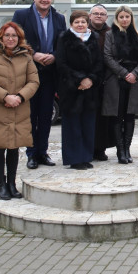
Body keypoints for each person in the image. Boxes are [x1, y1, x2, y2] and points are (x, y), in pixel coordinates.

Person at [0, 22, 39, 200]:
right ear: (1, 37)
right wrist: (5, 97)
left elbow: (34, 81)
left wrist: (19, 97)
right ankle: (1, 185)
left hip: (19, 108)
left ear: (19, 38)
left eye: (14, 36)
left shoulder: (26, 57)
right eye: (7, 35)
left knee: (14, 147)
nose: (11, 39)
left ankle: (12, 184)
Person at [12, 0, 66, 169]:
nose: (44, 0)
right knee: (31, 116)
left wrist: (55, 56)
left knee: (45, 116)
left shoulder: (59, 18)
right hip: (28, 73)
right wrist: (33, 55)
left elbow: (63, 44)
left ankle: (42, 152)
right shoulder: (21, 16)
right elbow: (16, 41)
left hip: (50, 73)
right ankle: (31, 154)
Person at [55, 10, 103, 170]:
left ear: (87, 23)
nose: (80, 25)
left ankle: (86, 156)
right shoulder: (64, 39)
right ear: (71, 24)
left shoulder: (93, 38)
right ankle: (74, 158)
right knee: (72, 125)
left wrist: (90, 79)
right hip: (71, 88)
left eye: (83, 22)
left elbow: (98, 62)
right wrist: (79, 79)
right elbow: (61, 63)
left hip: (90, 89)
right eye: (77, 22)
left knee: (88, 124)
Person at [103, 5, 138, 164]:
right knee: (117, 116)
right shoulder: (110, 35)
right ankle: (120, 150)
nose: (124, 19)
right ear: (117, 18)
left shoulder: (136, 35)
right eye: (121, 17)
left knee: (130, 116)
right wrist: (124, 73)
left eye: (127, 17)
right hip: (116, 80)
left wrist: (134, 74)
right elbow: (107, 57)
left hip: (133, 80)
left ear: (131, 18)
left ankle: (127, 149)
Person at [88, 4, 113, 161]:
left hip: (106, 80)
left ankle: (101, 149)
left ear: (106, 17)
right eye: (96, 13)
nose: (99, 16)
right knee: (90, 116)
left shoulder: (110, 33)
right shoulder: (83, 31)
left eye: (102, 14)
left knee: (104, 118)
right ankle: (88, 148)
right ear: (90, 16)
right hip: (88, 82)